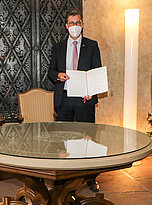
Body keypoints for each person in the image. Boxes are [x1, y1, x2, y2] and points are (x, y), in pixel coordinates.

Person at [47, 8, 102, 192]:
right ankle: (65, 177)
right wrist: (58, 75)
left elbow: (96, 73)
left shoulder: (92, 46)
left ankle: (90, 178)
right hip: (64, 99)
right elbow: (51, 72)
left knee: (89, 139)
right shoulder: (58, 47)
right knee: (64, 139)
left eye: (78, 23)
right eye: (72, 23)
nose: (75, 26)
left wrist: (92, 93)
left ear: (82, 25)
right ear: (66, 26)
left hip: (85, 99)